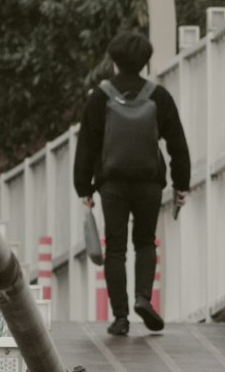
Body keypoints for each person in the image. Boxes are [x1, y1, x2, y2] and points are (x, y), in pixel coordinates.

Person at [73, 27, 191, 337]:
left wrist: (83, 188)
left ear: (113, 60)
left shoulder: (101, 97)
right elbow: (178, 144)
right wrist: (181, 184)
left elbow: (87, 145)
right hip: (149, 182)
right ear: (144, 62)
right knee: (144, 241)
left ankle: (121, 317)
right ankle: (143, 297)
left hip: (111, 184)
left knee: (115, 249)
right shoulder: (158, 96)